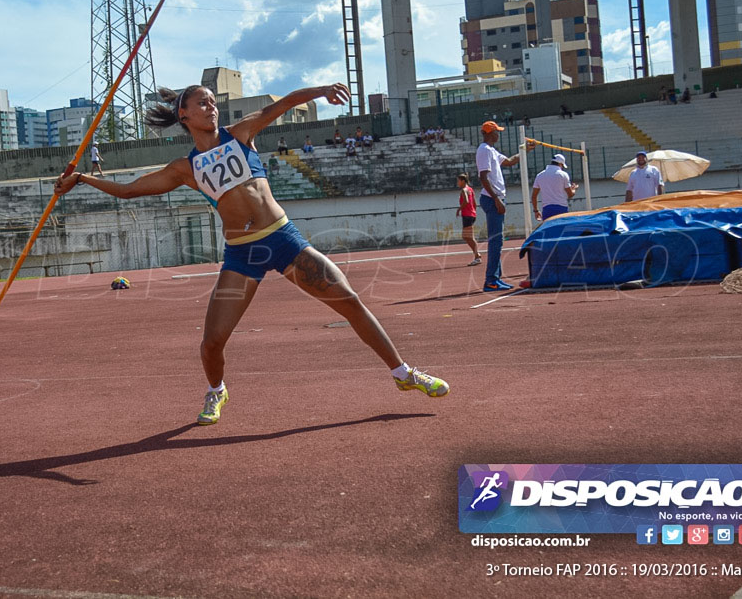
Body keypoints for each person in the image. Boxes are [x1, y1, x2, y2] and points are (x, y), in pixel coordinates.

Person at [54, 83, 449, 424]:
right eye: (203, 103)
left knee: (350, 301)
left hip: (284, 240)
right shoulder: (184, 168)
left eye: (213, 101)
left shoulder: (239, 134)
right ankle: (216, 390)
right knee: (211, 342)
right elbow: (129, 190)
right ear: (184, 114)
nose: (212, 107)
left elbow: (284, 104)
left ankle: (404, 373)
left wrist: (322, 91)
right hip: (243, 256)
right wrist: (81, 179)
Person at [476, 120, 535, 292]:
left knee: (498, 241)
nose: (498, 134)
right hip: (492, 198)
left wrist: (524, 150)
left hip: (496, 198)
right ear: (488, 133)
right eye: (496, 131)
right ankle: (491, 281)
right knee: (496, 242)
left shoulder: (491, 150)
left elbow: (509, 161)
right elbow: (483, 177)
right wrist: (496, 199)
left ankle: (495, 278)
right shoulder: (484, 150)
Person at [532, 154, 578, 222]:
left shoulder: (540, 175)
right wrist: (574, 189)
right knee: (562, 230)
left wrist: (536, 211)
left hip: (547, 209)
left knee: (549, 231)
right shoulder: (563, 175)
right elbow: (570, 195)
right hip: (561, 208)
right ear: (560, 164)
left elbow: (534, 196)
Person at [456, 174, 482, 266]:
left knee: (468, 237)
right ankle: (477, 255)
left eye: (458, 181)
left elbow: (466, 201)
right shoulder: (470, 189)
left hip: (467, 215)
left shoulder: (464, 190)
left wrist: (459, 209)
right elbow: (474, 203)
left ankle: (477, 256)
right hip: (471, 215)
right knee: (467, 236)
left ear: (463, 181)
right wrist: (474, 212)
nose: (457, 183)